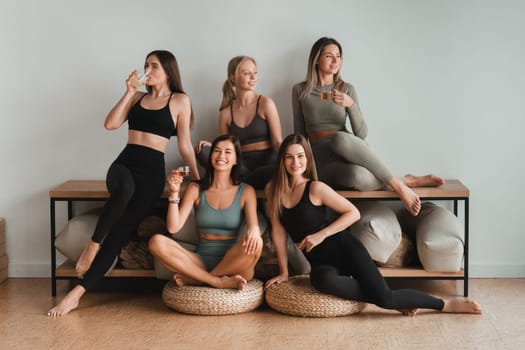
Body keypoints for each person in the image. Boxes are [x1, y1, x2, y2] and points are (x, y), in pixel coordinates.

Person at [48, 50, 200, 317]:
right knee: (125, 189)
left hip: (151, 175)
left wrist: (197, 178)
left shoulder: (179, 100)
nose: (147, 70)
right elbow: (110, 124)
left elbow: (185, 144)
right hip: (124, 166)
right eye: (146, 65)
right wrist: (129, 92)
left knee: (118, 234)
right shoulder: (138, 98)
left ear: (167, 72)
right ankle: (92, 246)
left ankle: (76, 294)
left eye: (154, 66)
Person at [264, 134, 482, 316]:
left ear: (308, 159)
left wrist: (321, 235)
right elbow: (278, 231)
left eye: (300, 156)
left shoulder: (316, 188)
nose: (295, 163)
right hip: (321, 263)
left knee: (385, 297)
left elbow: (353, 213)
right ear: (282, 160)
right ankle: (394, 300)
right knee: (321, 281)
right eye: (289, 157)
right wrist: (283, 271)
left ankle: (443, 304)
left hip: (345, 249)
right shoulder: (272, 190)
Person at [292, 37, 445, 216]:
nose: (335, 61)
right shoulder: (300, 90)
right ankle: (404, 182)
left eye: (338, 56)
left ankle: (402, 183)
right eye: (329, 56)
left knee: (349, 157)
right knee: (347, 158)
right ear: (316, 59)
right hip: (319, 156)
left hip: (345, 150)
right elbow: (299, 135)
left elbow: (361, 134)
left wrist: (351, 106)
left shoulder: (347, 89)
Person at [149, 134, 263, 290]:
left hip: (235, 262)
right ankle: (216, 281)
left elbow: (253, 225)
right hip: (200, 260)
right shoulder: (195, 189)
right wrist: (174, 193)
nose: (221, 155)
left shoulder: (246, 191)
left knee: (257, 244)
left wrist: (255, 230)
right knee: (156, 242)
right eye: (217, 150)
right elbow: (173, 228)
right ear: (211, 157)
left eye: (228, 152)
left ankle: (200, 279)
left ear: (236, 160)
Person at [195, 56, 283, 189]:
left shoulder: (266, 104)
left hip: (268, 164)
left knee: (270, 171)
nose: (253, 77)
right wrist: (213, 146)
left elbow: (277, 142)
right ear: (233, 78)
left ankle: (242, 182)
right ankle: (246, 181)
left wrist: (290, 157)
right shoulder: (225, 113)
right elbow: (225, 147)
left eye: (255, 72)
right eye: (247, 73)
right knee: (203, 151)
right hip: (240, 165)